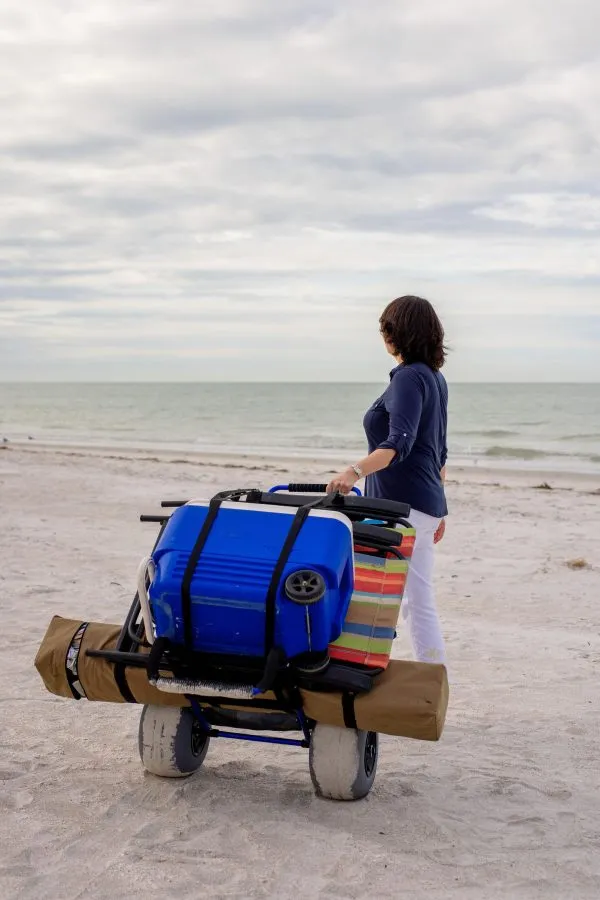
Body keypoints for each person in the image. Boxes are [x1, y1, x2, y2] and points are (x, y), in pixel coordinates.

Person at [326, 295, 448, 669]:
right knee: (416, 599)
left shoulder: (410, 377)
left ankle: (420, 678)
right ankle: (431, 676)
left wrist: (353, 472)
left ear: (397, 333)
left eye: (385, 329)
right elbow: (440, 451)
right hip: (423, 506)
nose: (383, 336)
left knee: (378, 593)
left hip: (402, 507)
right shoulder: (434, 378)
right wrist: (440, 509)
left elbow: (399, 444)